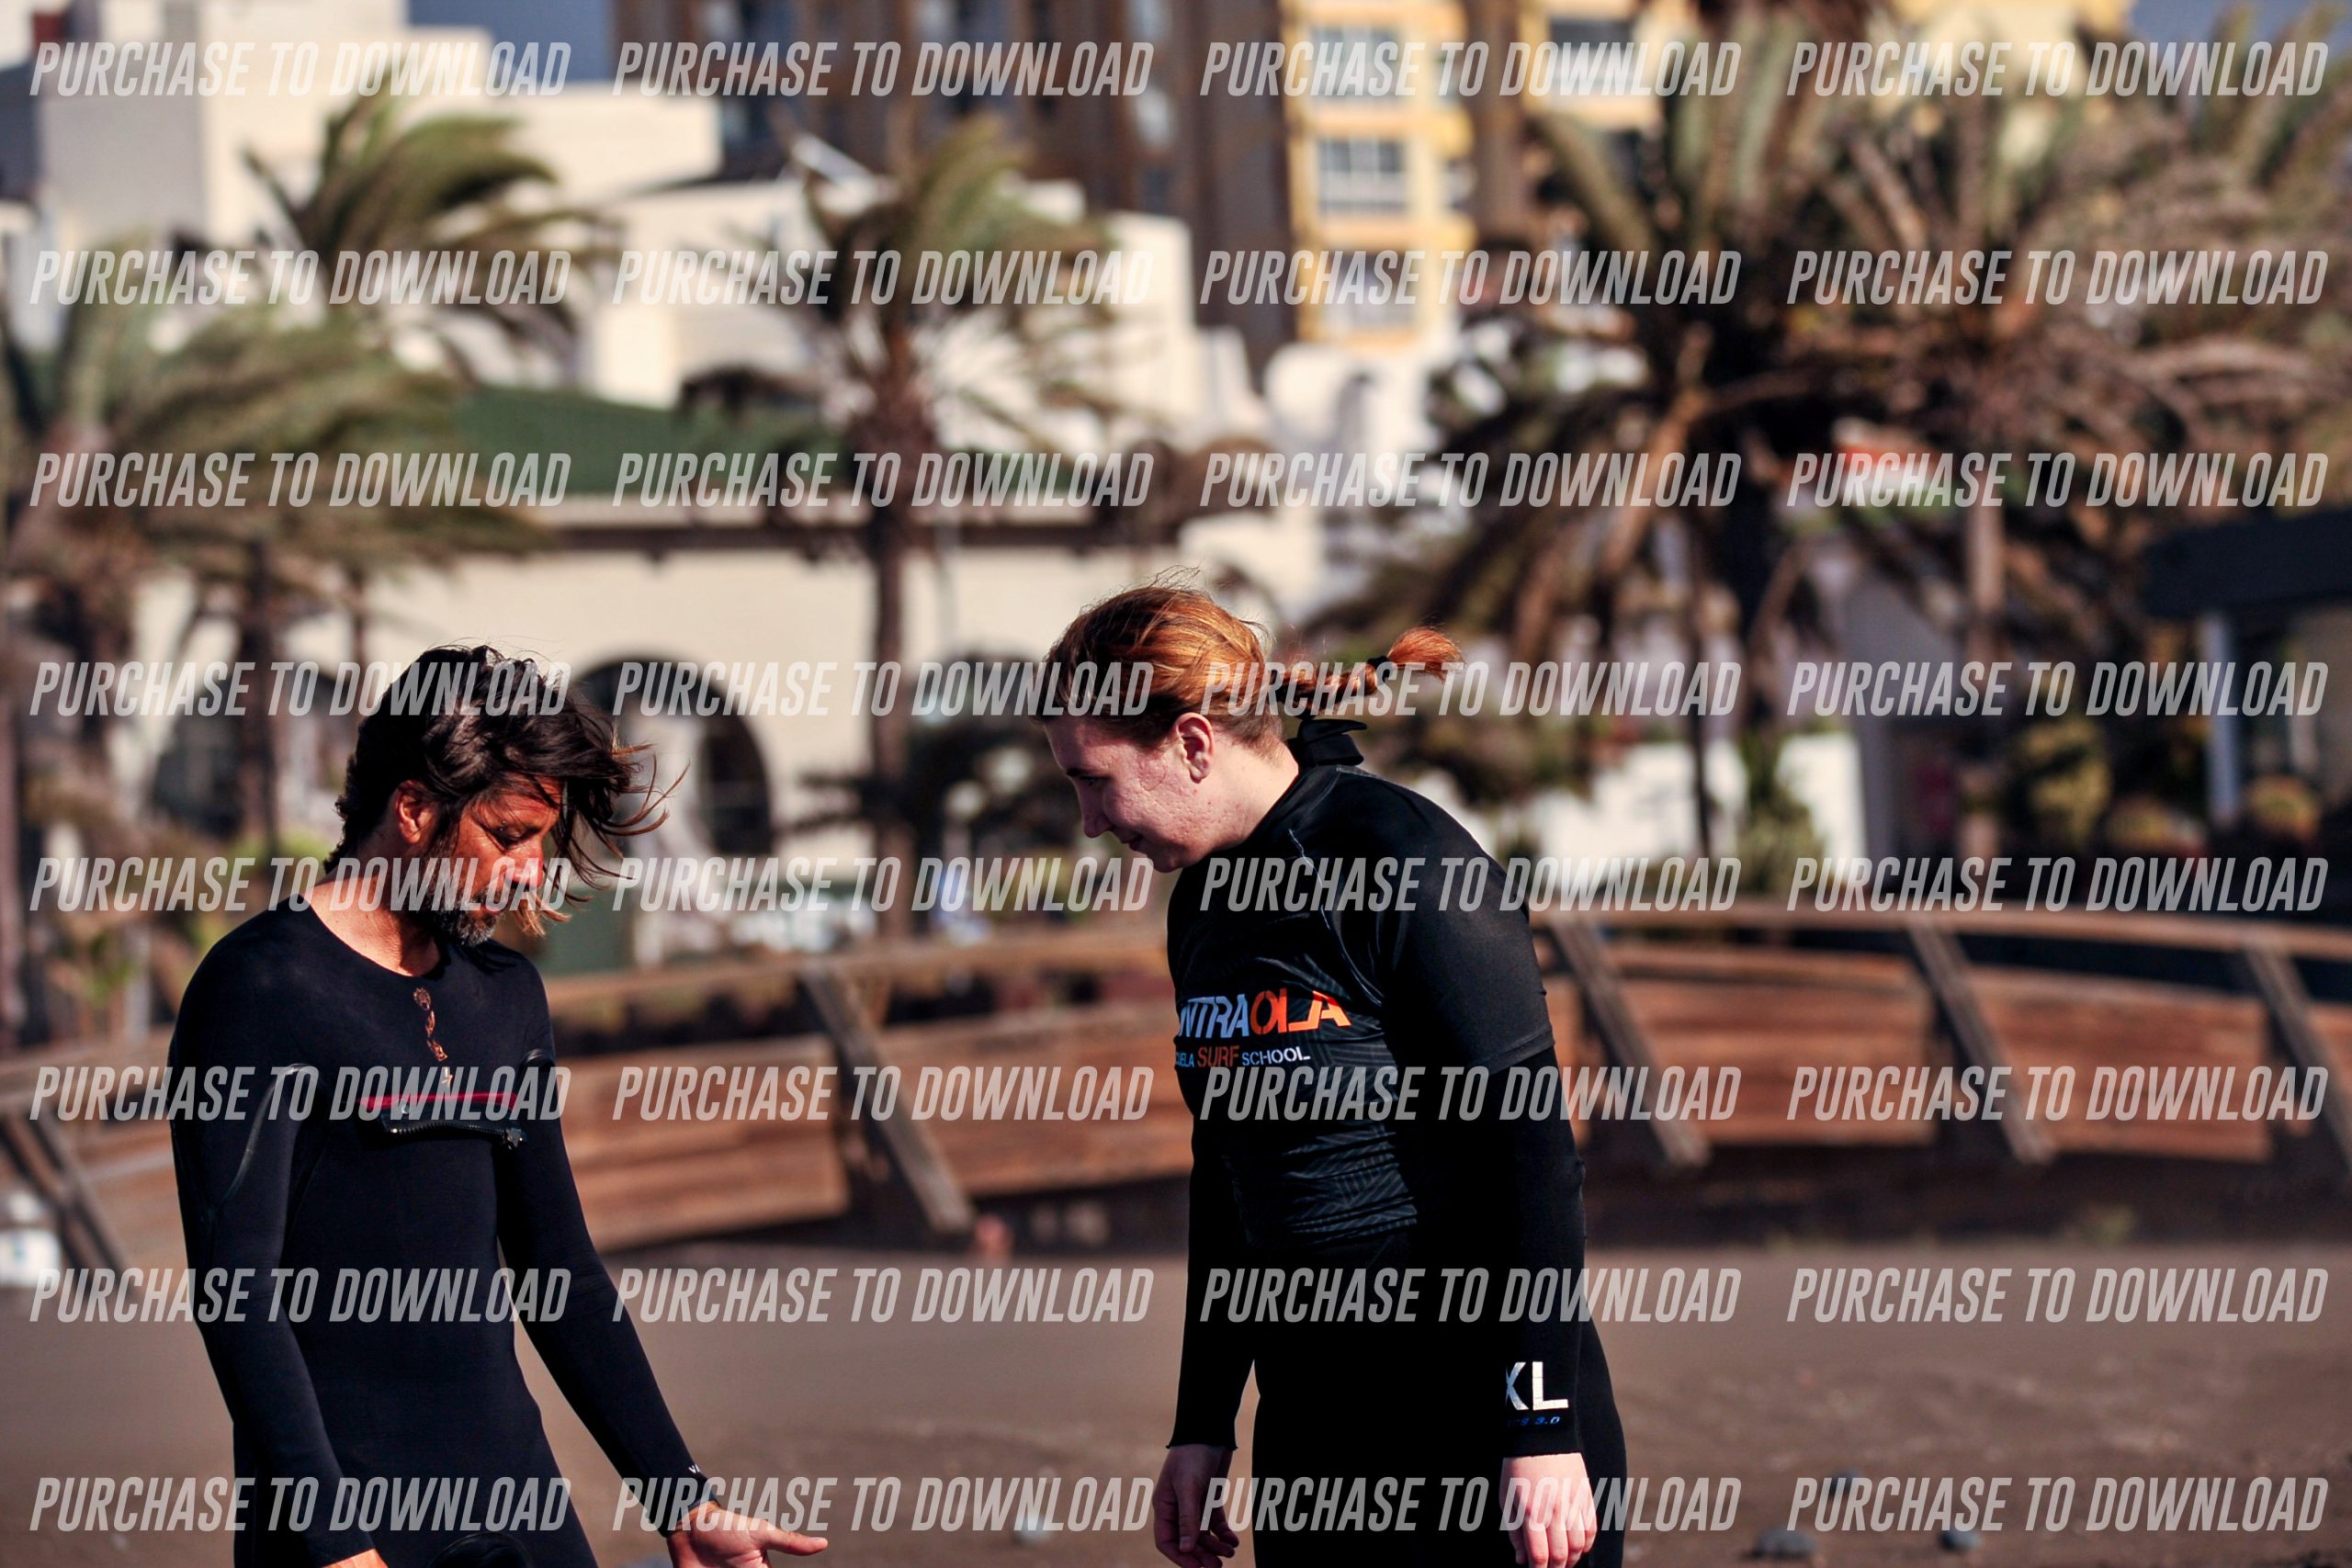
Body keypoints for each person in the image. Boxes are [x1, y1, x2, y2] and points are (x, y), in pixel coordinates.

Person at [167, 646, 825, 1568]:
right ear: (413, 809)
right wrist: (333, 1544)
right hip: (347, 1525)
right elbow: (238, 1288)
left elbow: (561, 1269)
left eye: (539, 842)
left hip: (519, 1510)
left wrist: (680, 1497)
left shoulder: (504, 994)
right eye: (509, 836)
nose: (529, 873)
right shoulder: (262, 986)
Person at [1040, 582, 1627, 1568]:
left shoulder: (1409, 863)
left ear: (1192, 742)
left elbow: (1530, 1160)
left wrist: (1539, 1427)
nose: (1091, 821)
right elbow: (1228, 1179)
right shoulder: (1204, 906)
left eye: (1095, 780)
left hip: (1474, 1418)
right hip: (1315, 1438)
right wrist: (1203, 1422)